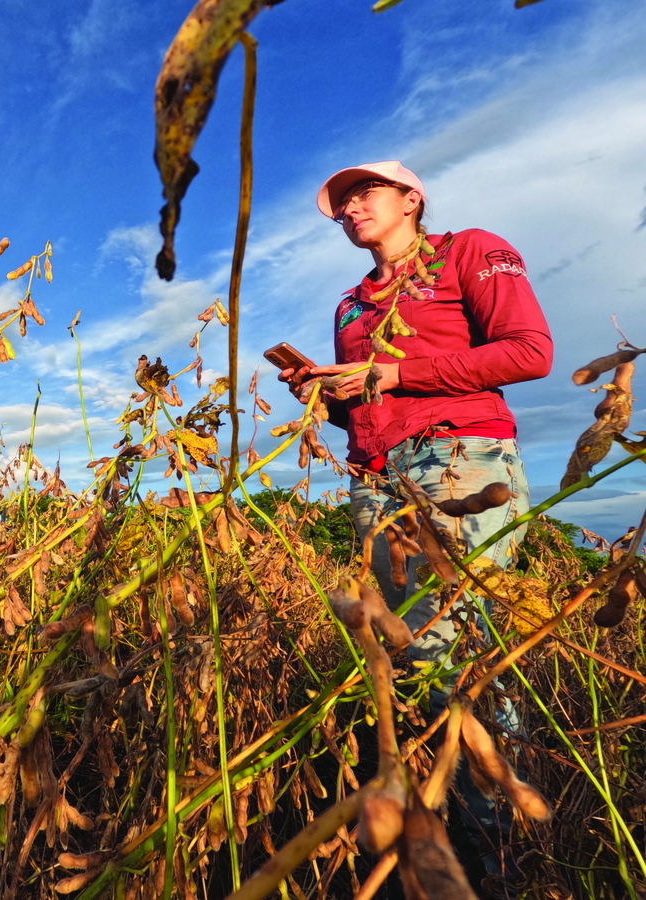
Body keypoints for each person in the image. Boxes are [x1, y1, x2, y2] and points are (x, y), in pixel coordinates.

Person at [279, 161, 553, 885]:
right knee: (413, 659)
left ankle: (503, 852)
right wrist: (324, 393)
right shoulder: (348, 306)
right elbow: (364, 405)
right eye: (340, 203)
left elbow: (531, 351)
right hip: (375, 480)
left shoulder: (469, 252)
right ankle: (456, 837)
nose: (348, 208)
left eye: (362, 193)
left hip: (460, 461)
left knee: (455, 652)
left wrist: (396, 373)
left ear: (411, 199)